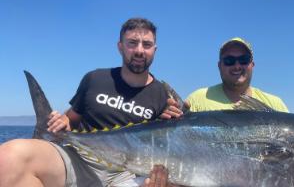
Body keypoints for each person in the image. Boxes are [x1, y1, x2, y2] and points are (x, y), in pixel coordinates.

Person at [0, 18, 178, 187]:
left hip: (129, 173)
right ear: (120, 46)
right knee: (9, 157)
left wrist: (172, 121)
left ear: (155, 49)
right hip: (81, 160)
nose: (139, 50)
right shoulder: (96, 79)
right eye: (132, 43)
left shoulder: (163, 95)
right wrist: (61, 122)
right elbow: (71, 119)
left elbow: (168, 148)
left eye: (146, 44)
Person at [161, 37, 288, 118]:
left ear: (252, 65)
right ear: (219, 66)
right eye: (229, 60)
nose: (237, 66)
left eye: (243, 60)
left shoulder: (276, 104)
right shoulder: (198, 99)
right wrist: (169, 117)